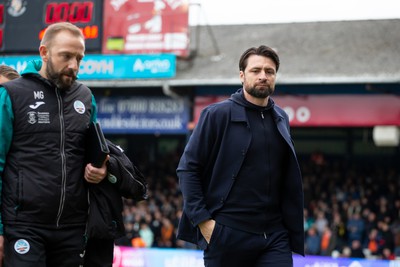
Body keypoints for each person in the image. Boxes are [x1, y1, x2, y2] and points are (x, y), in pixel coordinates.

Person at [177, 45, 304, 267]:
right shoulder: (217, 115)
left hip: (274, 236)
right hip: (227, 235)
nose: (263, 76)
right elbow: (188, 169)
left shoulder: (281, 117)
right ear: (242, 75)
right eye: (256, 71)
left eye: (270, 71)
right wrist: (204, 223)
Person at [0, 22, 108, 266]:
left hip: (73, 227)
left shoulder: (85, 98)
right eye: (66, 56)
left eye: (79, 58)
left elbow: (94, 154)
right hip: (23, 226)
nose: (74, 66)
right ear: (44, 52)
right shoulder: (12, 94)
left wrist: (100, 170)